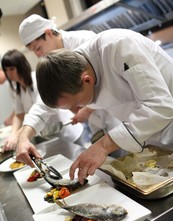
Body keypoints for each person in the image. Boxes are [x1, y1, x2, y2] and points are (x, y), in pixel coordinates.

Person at [30, 28, 173, 184]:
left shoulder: (119, 46)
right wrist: (25, 134)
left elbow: (159, 106)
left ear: (87, 81)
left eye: (77, 104)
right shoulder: (72, 69)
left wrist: (103, 146)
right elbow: (45, 106)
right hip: (152, 140)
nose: (76, 110)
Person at [16, 14, 121, 159]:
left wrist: (87, 109)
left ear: (48, 33)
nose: (38, 54)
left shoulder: (85, 41)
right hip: (98, 128)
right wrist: (24, 137)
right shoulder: (50, 63)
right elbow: (43, 103)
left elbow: (110, 82)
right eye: (34, 51)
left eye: (38, 47)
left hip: (117, 117)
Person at [1, 49, 83, 151]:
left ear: (21, 66)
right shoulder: (15, 87)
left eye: (12, 69)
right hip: (49, 134)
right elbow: (19, 114)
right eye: (6, 70)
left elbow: (41, 110)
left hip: (66, 129)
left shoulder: (37, 79)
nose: (9, 73)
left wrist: (19, 134)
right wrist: (13, 134)